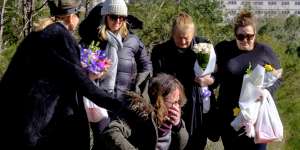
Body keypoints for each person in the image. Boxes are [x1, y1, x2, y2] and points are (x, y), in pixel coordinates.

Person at [0, 0, 144, 149]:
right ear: (71, 17)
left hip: (16, 122)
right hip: (41, 127)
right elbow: (84, 86)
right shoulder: (61, 39)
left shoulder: (35, 36)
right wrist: (124, 109)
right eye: (78, 15)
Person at [78, 0, 152, 149]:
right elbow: (78, 67)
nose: (117, 21)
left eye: (122, 17)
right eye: (113, 17)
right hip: (99, 101)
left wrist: (138, 87)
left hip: (123, 102)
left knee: (117, 141)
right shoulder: (94, 40)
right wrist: (90, 74)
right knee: (102, 140)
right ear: (105, 16)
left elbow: (146, 66)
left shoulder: (133, 40)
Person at [213, 10, 282, 150]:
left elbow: (278, 78)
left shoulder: (265, 51)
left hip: (256, 118)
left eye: (250, 36)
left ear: (255, 34)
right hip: (229, 117)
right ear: (235, 35)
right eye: (241, 36)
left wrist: (266, 92)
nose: (245, 40)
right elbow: (215, 76)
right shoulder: (223, 49)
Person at [151, 12, 217, 150]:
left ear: (193, 34)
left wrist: (210, 81)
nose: (183, 42)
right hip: (172, 105)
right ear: (172, 34)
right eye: (179, 38)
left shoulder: (204, 46)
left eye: (186, 38)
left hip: (197, 106)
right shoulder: (160, 51)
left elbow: (217, 74)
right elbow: (157, 79)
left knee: (196, 144)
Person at [100, 73, 189, 150]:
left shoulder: (171, 117)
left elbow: (181, 146)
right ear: (160, 101)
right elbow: (111, 131)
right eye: (173, 102)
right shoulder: (139, 111)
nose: (177, 107)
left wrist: (178, 126)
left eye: (178, 102)